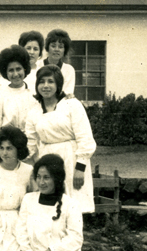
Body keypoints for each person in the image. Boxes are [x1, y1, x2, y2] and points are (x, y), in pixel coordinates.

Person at [12, 154, 103, 251]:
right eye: (39, 177)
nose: (41, 182)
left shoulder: (71, 205)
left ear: (57, 178)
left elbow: (75, 239)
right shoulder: (29, 200)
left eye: (46, 177)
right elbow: (21, 231)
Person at [25, 65, 96, 213]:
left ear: (58, 84)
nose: (46, 86)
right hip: (47, 159)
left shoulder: (72, 105)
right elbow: (30, 144)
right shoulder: (34, 111)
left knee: (73, 205)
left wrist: (80, 168)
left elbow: (85, 137)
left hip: (71, 160)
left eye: (50, 81)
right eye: (42, 82)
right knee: (50, 206)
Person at [0, 45, 37, 137]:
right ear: (5, 72)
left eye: (18, 69)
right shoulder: (0, 95)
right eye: (11, 70)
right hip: (7, 140)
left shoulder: (34, 93)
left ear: (25, 69)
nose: (15, 74)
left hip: (31, 138)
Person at [43, 29, 75, 98]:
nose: (56, 49)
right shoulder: (38, 66)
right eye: (53, 46)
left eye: (60, 47)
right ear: (47, 47)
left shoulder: (69, 70)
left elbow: (67, 94)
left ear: (64, 50)